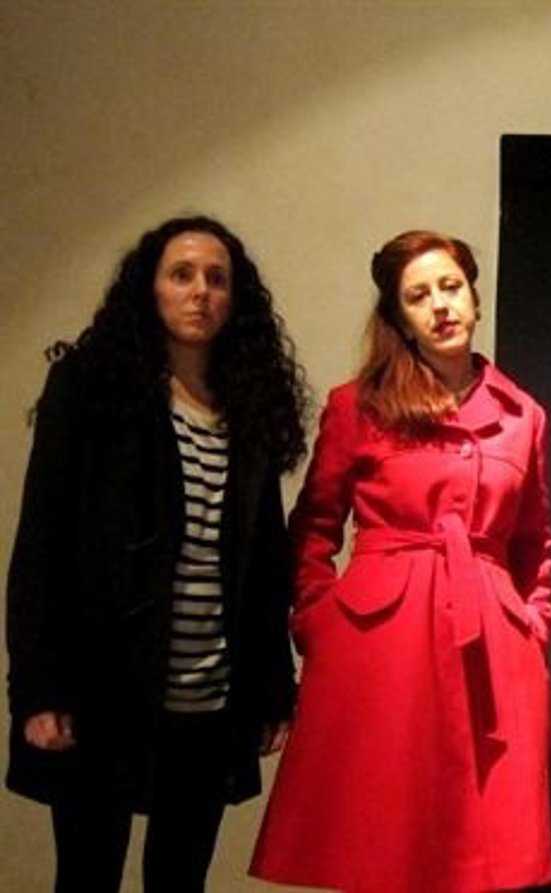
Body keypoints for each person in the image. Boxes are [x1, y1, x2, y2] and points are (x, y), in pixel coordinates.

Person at [6, 215, 309, 893]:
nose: (200, 291)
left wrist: (272, 686)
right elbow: (41, 547)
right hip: (101, 690)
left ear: (236, 299)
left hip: (207, 699)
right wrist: (36, 689)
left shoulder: (247, 407)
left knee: (180, 879)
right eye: (182, 274)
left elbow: (263, 564)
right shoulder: (89, 386)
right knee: (87, 874)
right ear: (150, 288)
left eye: (217, 278)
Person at [251, 230, 551, 892]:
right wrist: (320, 621)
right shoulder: (358, 406)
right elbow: (314, 526)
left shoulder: (523, 416)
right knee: (380, 843)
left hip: (491, 651)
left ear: (474, 297)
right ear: (400, 316)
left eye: (451, 287)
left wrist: (533, 625)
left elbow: (535, 541)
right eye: (418, 296)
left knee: (481, 850)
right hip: (379, 642)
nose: (440, 305)